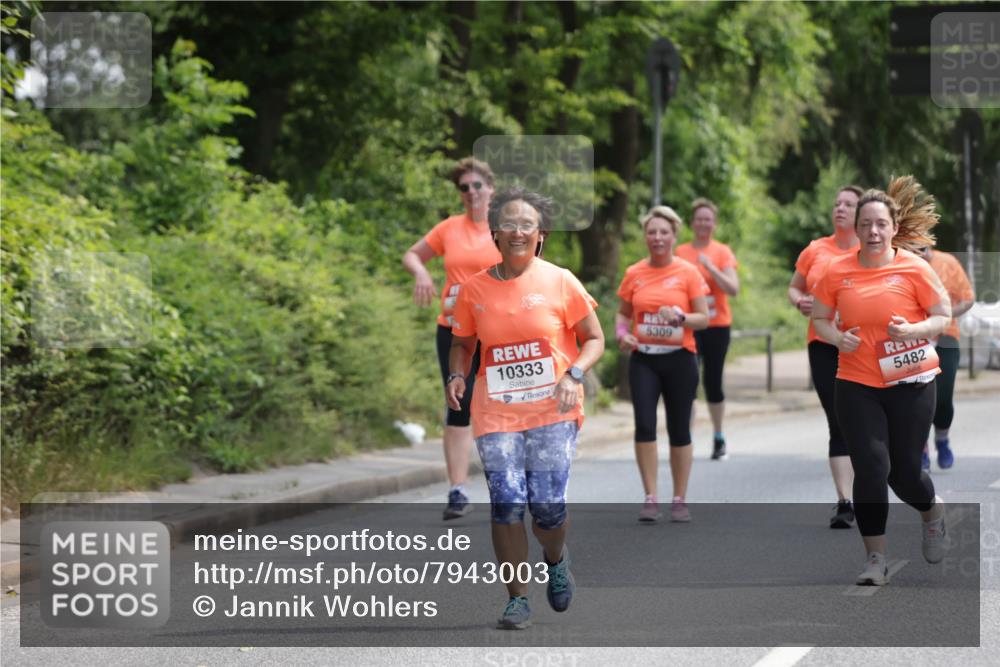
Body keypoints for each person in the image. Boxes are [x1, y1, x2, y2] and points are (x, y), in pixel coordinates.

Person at [446, 188, 604, 629]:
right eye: (509, 224)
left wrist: (574, 374)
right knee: (506, 503)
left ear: (541, 234)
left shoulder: (561, 280)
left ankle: (556, 558)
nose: (518, 231)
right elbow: (462, 344)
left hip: (554, 409)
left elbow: (595, 338)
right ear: (495, 233)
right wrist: (456, 375)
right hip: (496, 411)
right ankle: (517, 598)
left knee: (547, 509)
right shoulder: (474, 289)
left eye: (527, 224)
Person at [811, 176, 951, 585]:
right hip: (857, 382)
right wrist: (838, 337)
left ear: (893, 228)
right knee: (871, 468)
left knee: (904, 473)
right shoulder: (836, 270)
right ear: (856, 229)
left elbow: (942, 315)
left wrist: (913, 330)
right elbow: (820, 319)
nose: (873, 231)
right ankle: (875, 559)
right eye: (866, 224)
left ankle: (932, 511)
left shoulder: (915, 267)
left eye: (881, 224)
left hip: (911, 381)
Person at [402, 157, 500, 520]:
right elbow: (412, 254)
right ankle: (457, 490)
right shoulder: (449, 228)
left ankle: (506, 483)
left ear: (491, 188)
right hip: (454, 328)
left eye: (477, 185)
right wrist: (422, 274)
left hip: (497, 329)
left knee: (497, 403)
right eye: (464, 187)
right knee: (458, 402)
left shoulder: (504, 226)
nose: (471, 192)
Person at [616, 206, 710, 524]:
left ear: (674, 235)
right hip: (644, 359)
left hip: (680, 359)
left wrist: (681, 317)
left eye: (663, 232)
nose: (657, 237)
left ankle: (679, 498)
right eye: (652, 232)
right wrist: (622, 334)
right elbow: (623, 314)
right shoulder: (634, 272)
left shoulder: (688, 272)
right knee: (644, 425)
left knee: (679, 428)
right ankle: (650, 497)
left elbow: (703, 318)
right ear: (645, 236)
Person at [787, 185, 864, 529]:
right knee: (838, 418)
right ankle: (845, 502)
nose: (840, 209)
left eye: (849, 204)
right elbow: (794, 287)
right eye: (837, 203)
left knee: (864, 420)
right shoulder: (816, 249)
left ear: (862, 213)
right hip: (822, 343)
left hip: (863, 345)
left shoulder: (871, 250)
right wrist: (799, 301)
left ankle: (870, 489)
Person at [675, 198, 739, 460]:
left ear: (714, 223)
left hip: (717, 326)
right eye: (699, 219)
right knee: (687, 383)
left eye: (708, 219)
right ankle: (685, 441)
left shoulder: (722, 252)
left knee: (713, 383)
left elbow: (733, 289)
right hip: (689, 325)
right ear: (692, 223)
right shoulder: (681, 252)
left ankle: (719, 436)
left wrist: (711, 267)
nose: (703, 223)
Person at [918, 244, 975, 470]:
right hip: (913, 338)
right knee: (916, 398)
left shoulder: (948, 262)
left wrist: (944, 315)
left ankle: (942, 438)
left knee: (942, 397)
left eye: (920, 246)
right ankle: (921, 448)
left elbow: (968, 299)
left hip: (945, 336)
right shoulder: (899, 263)